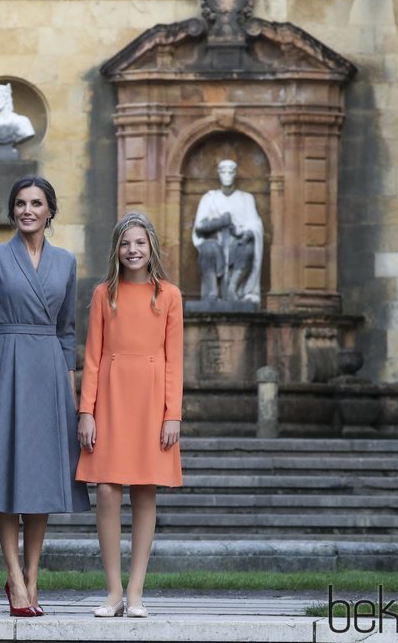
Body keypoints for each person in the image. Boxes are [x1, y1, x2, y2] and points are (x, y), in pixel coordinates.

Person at [0, 176, 90, 617]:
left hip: (49, 371)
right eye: (20, 203)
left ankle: (33, 577)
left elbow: (68, 330)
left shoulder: (66, 262)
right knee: (6, 474)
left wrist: (69, 389)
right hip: (7, 364)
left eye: (36, 203)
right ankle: (13, 577)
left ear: (50, 210)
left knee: (40, 481)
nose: (27, 210)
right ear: (12, 211)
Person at [75, 212, 184, 619]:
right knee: (106, 489)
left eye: (139, 243)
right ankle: (113, 590)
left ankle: (136, 592)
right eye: (125, 243)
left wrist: (173, 413)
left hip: (153, 399)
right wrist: (87, 411)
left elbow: (175, 360)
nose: (132, 250)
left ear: (151, 246)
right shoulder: (105, 294)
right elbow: (92, 356)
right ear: (116, 250)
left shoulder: (169, 295)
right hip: (111, 394)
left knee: (145, 489)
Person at [191, 159, 263, 303]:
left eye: (231, 171)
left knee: (247, 249)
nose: (227, 175)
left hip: (237, 244)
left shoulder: (246, 198)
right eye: (223, 171)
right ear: (219, 174)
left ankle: (233, 289)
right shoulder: (209, 199)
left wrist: (244, 234)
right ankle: (212, 292)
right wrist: (219, 222)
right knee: (208, 249)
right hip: (215, 244)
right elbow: (199, 226)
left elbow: (256, 225)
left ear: (235, 174)